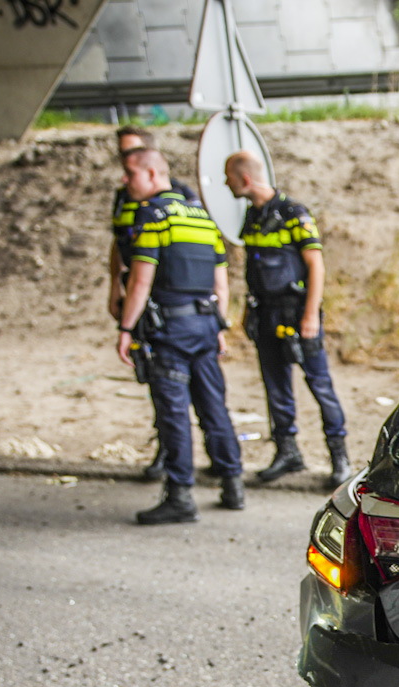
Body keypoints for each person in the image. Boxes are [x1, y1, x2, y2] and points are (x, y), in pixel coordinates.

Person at [115, 148, 245, 524]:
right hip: (205, 326)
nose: (125, 183)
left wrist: (126, 329)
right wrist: (219, 326)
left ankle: (181, 496)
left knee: (174, 413)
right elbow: (221, 283)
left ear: (154, 175)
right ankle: (232, 484)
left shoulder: (152, 216)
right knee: (213, 406)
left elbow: (141, 279)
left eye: (130, 174)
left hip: (170, 331)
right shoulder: (204, 216)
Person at [222, 150, 352, 485]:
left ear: (245, 178)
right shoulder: (251, 216)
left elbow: (316, 266)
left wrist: (310, 316)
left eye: (229, 177)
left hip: (297, 312)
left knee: (319, 384)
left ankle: (340, 458)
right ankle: (288, 452)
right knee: (275, 386)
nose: (225, 183)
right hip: (265, 313)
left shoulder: (293, 212)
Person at [107, 126, 202, 482]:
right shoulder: (123, 197)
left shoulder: (176, 197)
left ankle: (182, 468)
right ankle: (166, 449)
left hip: (169, 303)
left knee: (179, 388)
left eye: (131, 155)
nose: (124, 166)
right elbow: (119, 244)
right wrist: (114, 285)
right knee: (156, 381)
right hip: (139, 296)